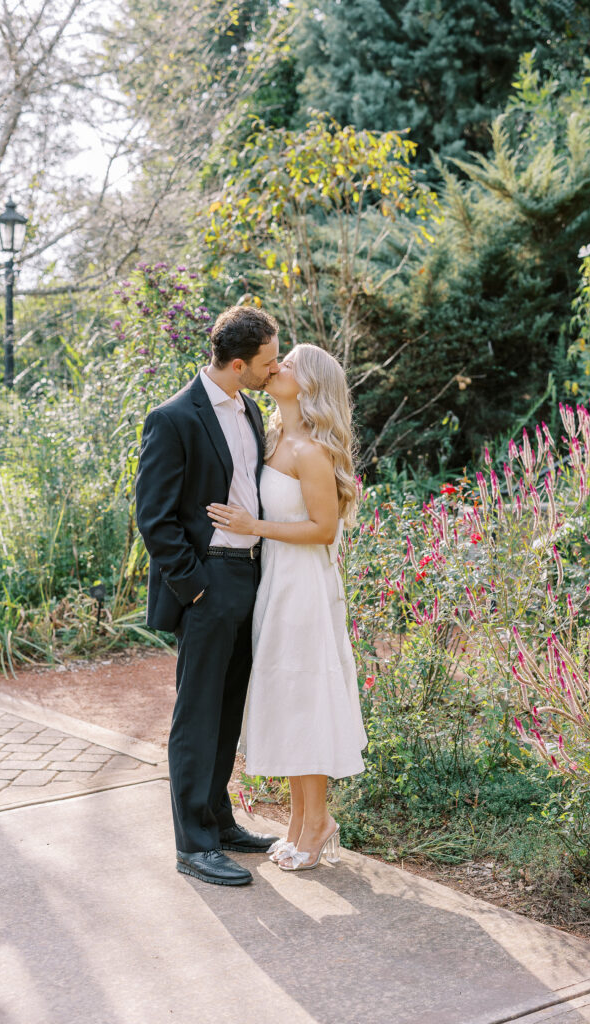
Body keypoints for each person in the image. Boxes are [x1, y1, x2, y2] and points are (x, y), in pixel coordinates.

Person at [135, 305, 281, 887]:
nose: (275, 371)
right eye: (268, 362)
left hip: (250, 575)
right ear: (239, 362)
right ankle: (192, 844)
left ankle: (219, 822)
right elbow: (155, 518)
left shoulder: (248, 407)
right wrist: (195, 588)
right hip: (208, 581)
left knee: (227, 709)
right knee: (196, 715)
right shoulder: (173, 418)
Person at [207, 343, 367, 871]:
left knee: (306, 699)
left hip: (303, 590)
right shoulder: (274, 436)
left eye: (289, 363)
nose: (276, 367)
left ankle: (317, 823)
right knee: (288, 699)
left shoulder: (311, 451)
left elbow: (323, 529)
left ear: (311, 386)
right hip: (275, 584)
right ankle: (301, 823)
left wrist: (254, 528)